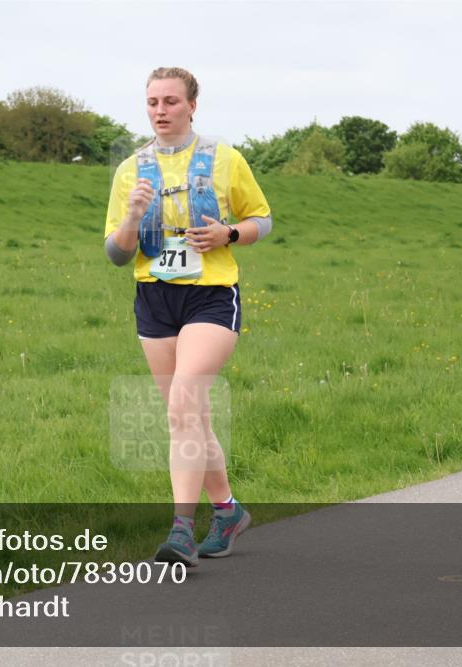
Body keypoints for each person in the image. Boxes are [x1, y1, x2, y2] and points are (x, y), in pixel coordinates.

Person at [103, 67, 273, 566]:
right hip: (154, 299)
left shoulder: (224, 158)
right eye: (153, 101)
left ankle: (181, 529)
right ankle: (227, 510)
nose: (160, 110)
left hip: (211, 297)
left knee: (183, 404)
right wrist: (133, 217)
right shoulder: (130, 169)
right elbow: (115, 254)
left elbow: (262, 219)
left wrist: (229, 235)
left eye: (171, 101)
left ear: (192, 105)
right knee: (189, 415)